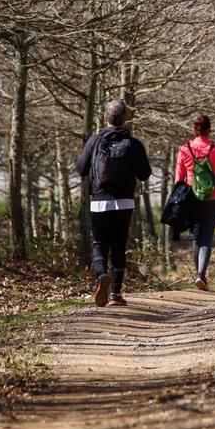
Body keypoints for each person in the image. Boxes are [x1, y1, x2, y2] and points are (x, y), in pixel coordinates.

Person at [75, 99, 152, 307]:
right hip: (125, 202)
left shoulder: (94, 141)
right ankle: (116, 294)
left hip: (99, 202)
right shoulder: (133, 144)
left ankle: (101, 275)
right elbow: (145, 174)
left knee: (99, 243)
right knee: (119, 246)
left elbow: (80, 169)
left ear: (105, 118)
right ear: (126, 119)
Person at [175, 113, 215, 291]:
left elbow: (179, 180)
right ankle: (201, 274)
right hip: (213, 198)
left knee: (196, 236)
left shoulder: (184, 150)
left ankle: (199, 274)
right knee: (207, 236)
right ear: (209, 129)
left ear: (194, 129)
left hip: (192, 198)